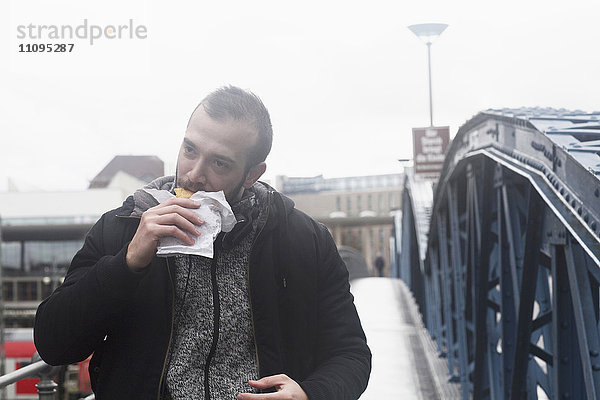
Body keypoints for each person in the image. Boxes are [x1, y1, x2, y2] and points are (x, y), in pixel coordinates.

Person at [34, 85, 371, 399]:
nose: (195, 173)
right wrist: (127, 262)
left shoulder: (301, 238)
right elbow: (55, 344)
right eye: (189, 149)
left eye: (219, 163)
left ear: (252, 174)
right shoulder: (124, 225)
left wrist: (311, 393)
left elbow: (350, 353)